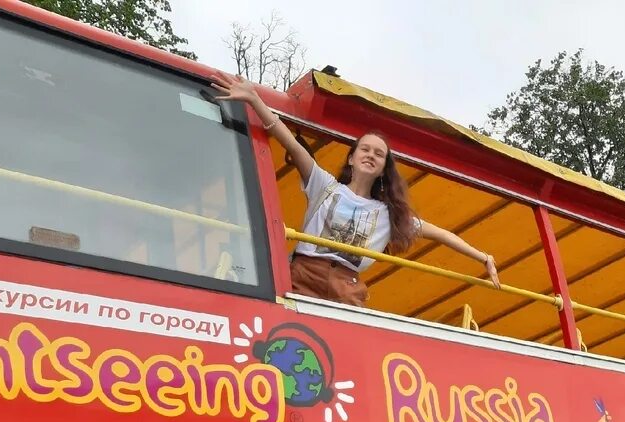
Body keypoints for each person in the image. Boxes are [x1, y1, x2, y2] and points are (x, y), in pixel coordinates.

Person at [211, 72, 501, 307]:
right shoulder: (324, 186)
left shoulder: (388, 215)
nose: (371, 155)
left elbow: (442, 234)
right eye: (365, 148)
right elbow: (291, 143)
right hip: (303, 275)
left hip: (346, 288)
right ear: (351, 157)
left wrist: (483, 257)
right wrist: (253, 98)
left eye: (379, 154)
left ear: (383, 168)